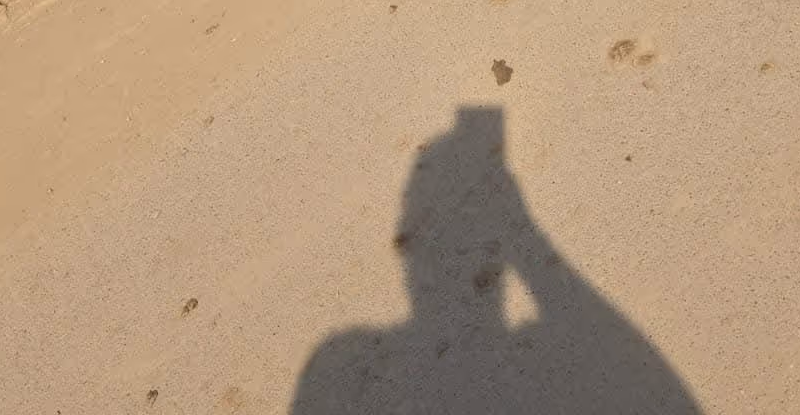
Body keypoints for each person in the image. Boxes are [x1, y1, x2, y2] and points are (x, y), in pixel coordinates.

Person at [290, 104, 702, 413]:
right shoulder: (338, 356)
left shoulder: (335, 359)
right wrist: (523, 232)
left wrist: (519, 231)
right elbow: (626, 359)